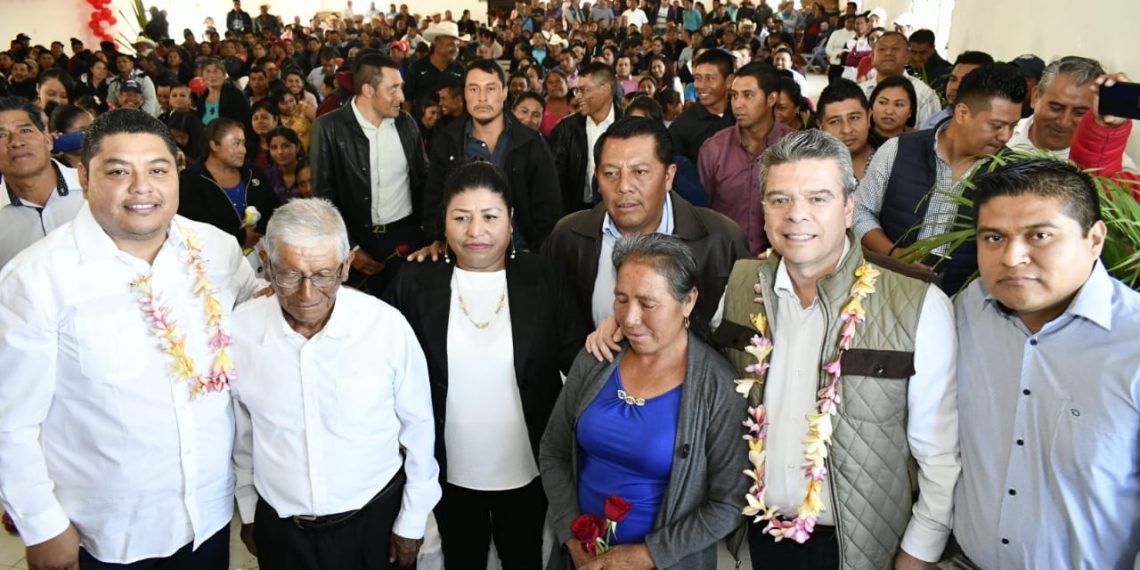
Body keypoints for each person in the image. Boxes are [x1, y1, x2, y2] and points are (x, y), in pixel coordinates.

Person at [0, 108, 261, 569]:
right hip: (106, 533)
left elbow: (258, 333)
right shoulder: (36, 280)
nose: (142, 187)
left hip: (207, 518)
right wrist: (41, 525)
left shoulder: (216, 250)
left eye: (157, 170)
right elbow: (10, 421)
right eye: (118, 171)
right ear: (84, 176)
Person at [695, 129, 957, 569]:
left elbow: (940, 453)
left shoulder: (917, 305)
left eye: (818, 198)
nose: (797, 215)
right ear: (762, 209)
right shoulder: (740, 286)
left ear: (850, 207)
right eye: (780, 199)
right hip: (759, 533)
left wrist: (920, 551)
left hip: (864, 547)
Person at [387, 162, 588, 569]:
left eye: (490, 217)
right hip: (449, 466)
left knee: (524, 556)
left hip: (528, 464)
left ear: (511, 220)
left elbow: (578, 360)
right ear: (443, 223)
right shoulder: (416, 282)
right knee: (461, 557)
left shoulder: (543, 278)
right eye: (461, 218)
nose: (475, 231)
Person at [230, 198, 440, 570]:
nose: (307, 294)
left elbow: (419, 430)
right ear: (267, 265)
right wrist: (249, 510)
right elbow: (241, 433)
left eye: (323, 275)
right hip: (281, 528)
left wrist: (412, 520)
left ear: (345, 268)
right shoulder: (240, 331)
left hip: (373, 521)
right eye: (290, 274)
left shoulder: (385, 328)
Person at [951, 158, 1139, 570]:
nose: (1013, 257)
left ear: (1095, 239)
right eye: (994, 238)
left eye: (1039, 235)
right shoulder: (967, 311)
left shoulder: (1133, 344)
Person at [541, 233, 749, 569]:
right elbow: (554, 451)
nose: (630, 318)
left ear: (688, 301)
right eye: (621, 299)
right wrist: (571, 535)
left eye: (647, 303)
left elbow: (729, 502)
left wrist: (647, 555)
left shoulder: (717, 386)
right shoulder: (598, 357)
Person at [542, 117, 748, 326]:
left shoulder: (722, 239)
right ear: (597, 179)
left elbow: (741, 336)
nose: (624, 186)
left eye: (639, 172)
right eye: (611, 173)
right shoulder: (567, 238)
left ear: (668, 176)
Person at [854, 63, 1027, 294]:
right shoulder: (898, 150)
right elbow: (860, 211)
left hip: (963, 299)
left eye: (1012, 127)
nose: (1005, 136)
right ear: (963, 112)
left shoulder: (1012, 174)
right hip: (888, 286)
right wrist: (895, 255)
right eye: (996, 126)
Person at [311, 53, 429, 296]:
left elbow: (424, 179)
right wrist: (349, 247)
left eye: (401, 88)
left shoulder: (406, 124)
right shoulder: (328, 128)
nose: (402, 97)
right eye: (393, 88)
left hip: (405, 238)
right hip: (356, 239)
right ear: (368, 90)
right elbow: (323, 196)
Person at [419, 59, 562, 256]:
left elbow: (548, 208)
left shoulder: (531, 143)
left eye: (491, 88)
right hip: (462, 256)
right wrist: (439, 239)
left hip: (520, 254)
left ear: (504, 92)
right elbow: (433, 200)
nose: (482, 98)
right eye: (474, 89)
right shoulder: (447, 141)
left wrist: (537, 256)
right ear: (465, 94)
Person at [699, 65, 792, 256]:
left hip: (783, 260)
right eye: (734, 95)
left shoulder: (795, 147)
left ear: (771, 99)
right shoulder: (713, 149)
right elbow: (701, 213)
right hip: (725, 261)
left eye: (748, 95)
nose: (738, 104)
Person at [0, 97, 85, 268]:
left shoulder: (96, 188)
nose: (16, 142)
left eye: (25, 131)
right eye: (1, 135)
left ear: (48, 140)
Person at [178, 117, 279, 249]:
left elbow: (274, 210)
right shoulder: (191, 180)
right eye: (236, 144)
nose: (243, 150)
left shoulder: (252, 173)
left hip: (260, 256)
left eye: (243, 143)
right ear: (214, 145)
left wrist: (257, 231)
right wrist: (240, 236)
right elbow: (193, 226)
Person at [552, 62, 622, 214]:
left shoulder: (627, 125)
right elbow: (556, 180)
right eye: (577, 90)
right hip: (577, 212)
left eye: (583, 90)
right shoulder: (566, 128)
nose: (577, 97)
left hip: (620, 209)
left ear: (605, 90)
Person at [1008, 56, 1107, 160]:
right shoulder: (999, 139)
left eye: (1080, 112)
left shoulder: (1106, 162)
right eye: (1056, 108)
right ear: (1036, 96)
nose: (1064, 122)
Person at [858, 32, 940, 126]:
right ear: (872, 57)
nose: (888, 53)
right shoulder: (859, 91)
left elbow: (929, 137)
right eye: (882, 49)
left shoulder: (924, 95)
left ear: (907, 56)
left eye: (895, 49)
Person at [668, 49, 735, 164]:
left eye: (710, 78)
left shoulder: (742, 116)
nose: (701, 86)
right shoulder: (681, 127)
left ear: (729, 81)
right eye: (698, 78)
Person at [403, 21, 467, 115]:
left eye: (457, 46)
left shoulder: (461, 70)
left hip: (453, 127)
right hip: (422, 127)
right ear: (436, 43)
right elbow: (407, 99)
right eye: (451, 44)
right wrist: (407, 125)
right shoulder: (417, 68)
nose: (455, 49)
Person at [918, 50, 994, 130]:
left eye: (965, 81)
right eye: (953, 79)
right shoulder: (933, 120)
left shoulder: (993, 127)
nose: (955, 87)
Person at [817, 79, 873, 180]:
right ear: (820, 127)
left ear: (869, 118)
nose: (846, 130)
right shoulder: (810, 169)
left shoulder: (893, 158)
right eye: (835, 121)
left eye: (854, 118)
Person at [195, 57, 252, 127]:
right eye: (208, 71)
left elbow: (245, 120)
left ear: (224, 75)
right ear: (202, 76)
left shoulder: (234, 94)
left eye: (216, 71)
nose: (212, 75)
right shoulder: (202, 98)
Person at [867, 74, 917, 148]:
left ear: (910, 111)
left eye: (899, 105)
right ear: (872, 106)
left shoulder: (919, 142)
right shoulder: (858, 140)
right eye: (882, 102)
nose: (889, 111)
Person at [265, 126, 308, 202]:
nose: (280, 152)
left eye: (286, 146)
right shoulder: (268, 176)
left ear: (297, 147)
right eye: (274, 147)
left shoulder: (309, 172)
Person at [541, 68, 573, 137]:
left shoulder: (576, 103)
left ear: (566, 83)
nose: (554, 85)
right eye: (550, 82)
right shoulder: (541, 106)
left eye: (558, 81)